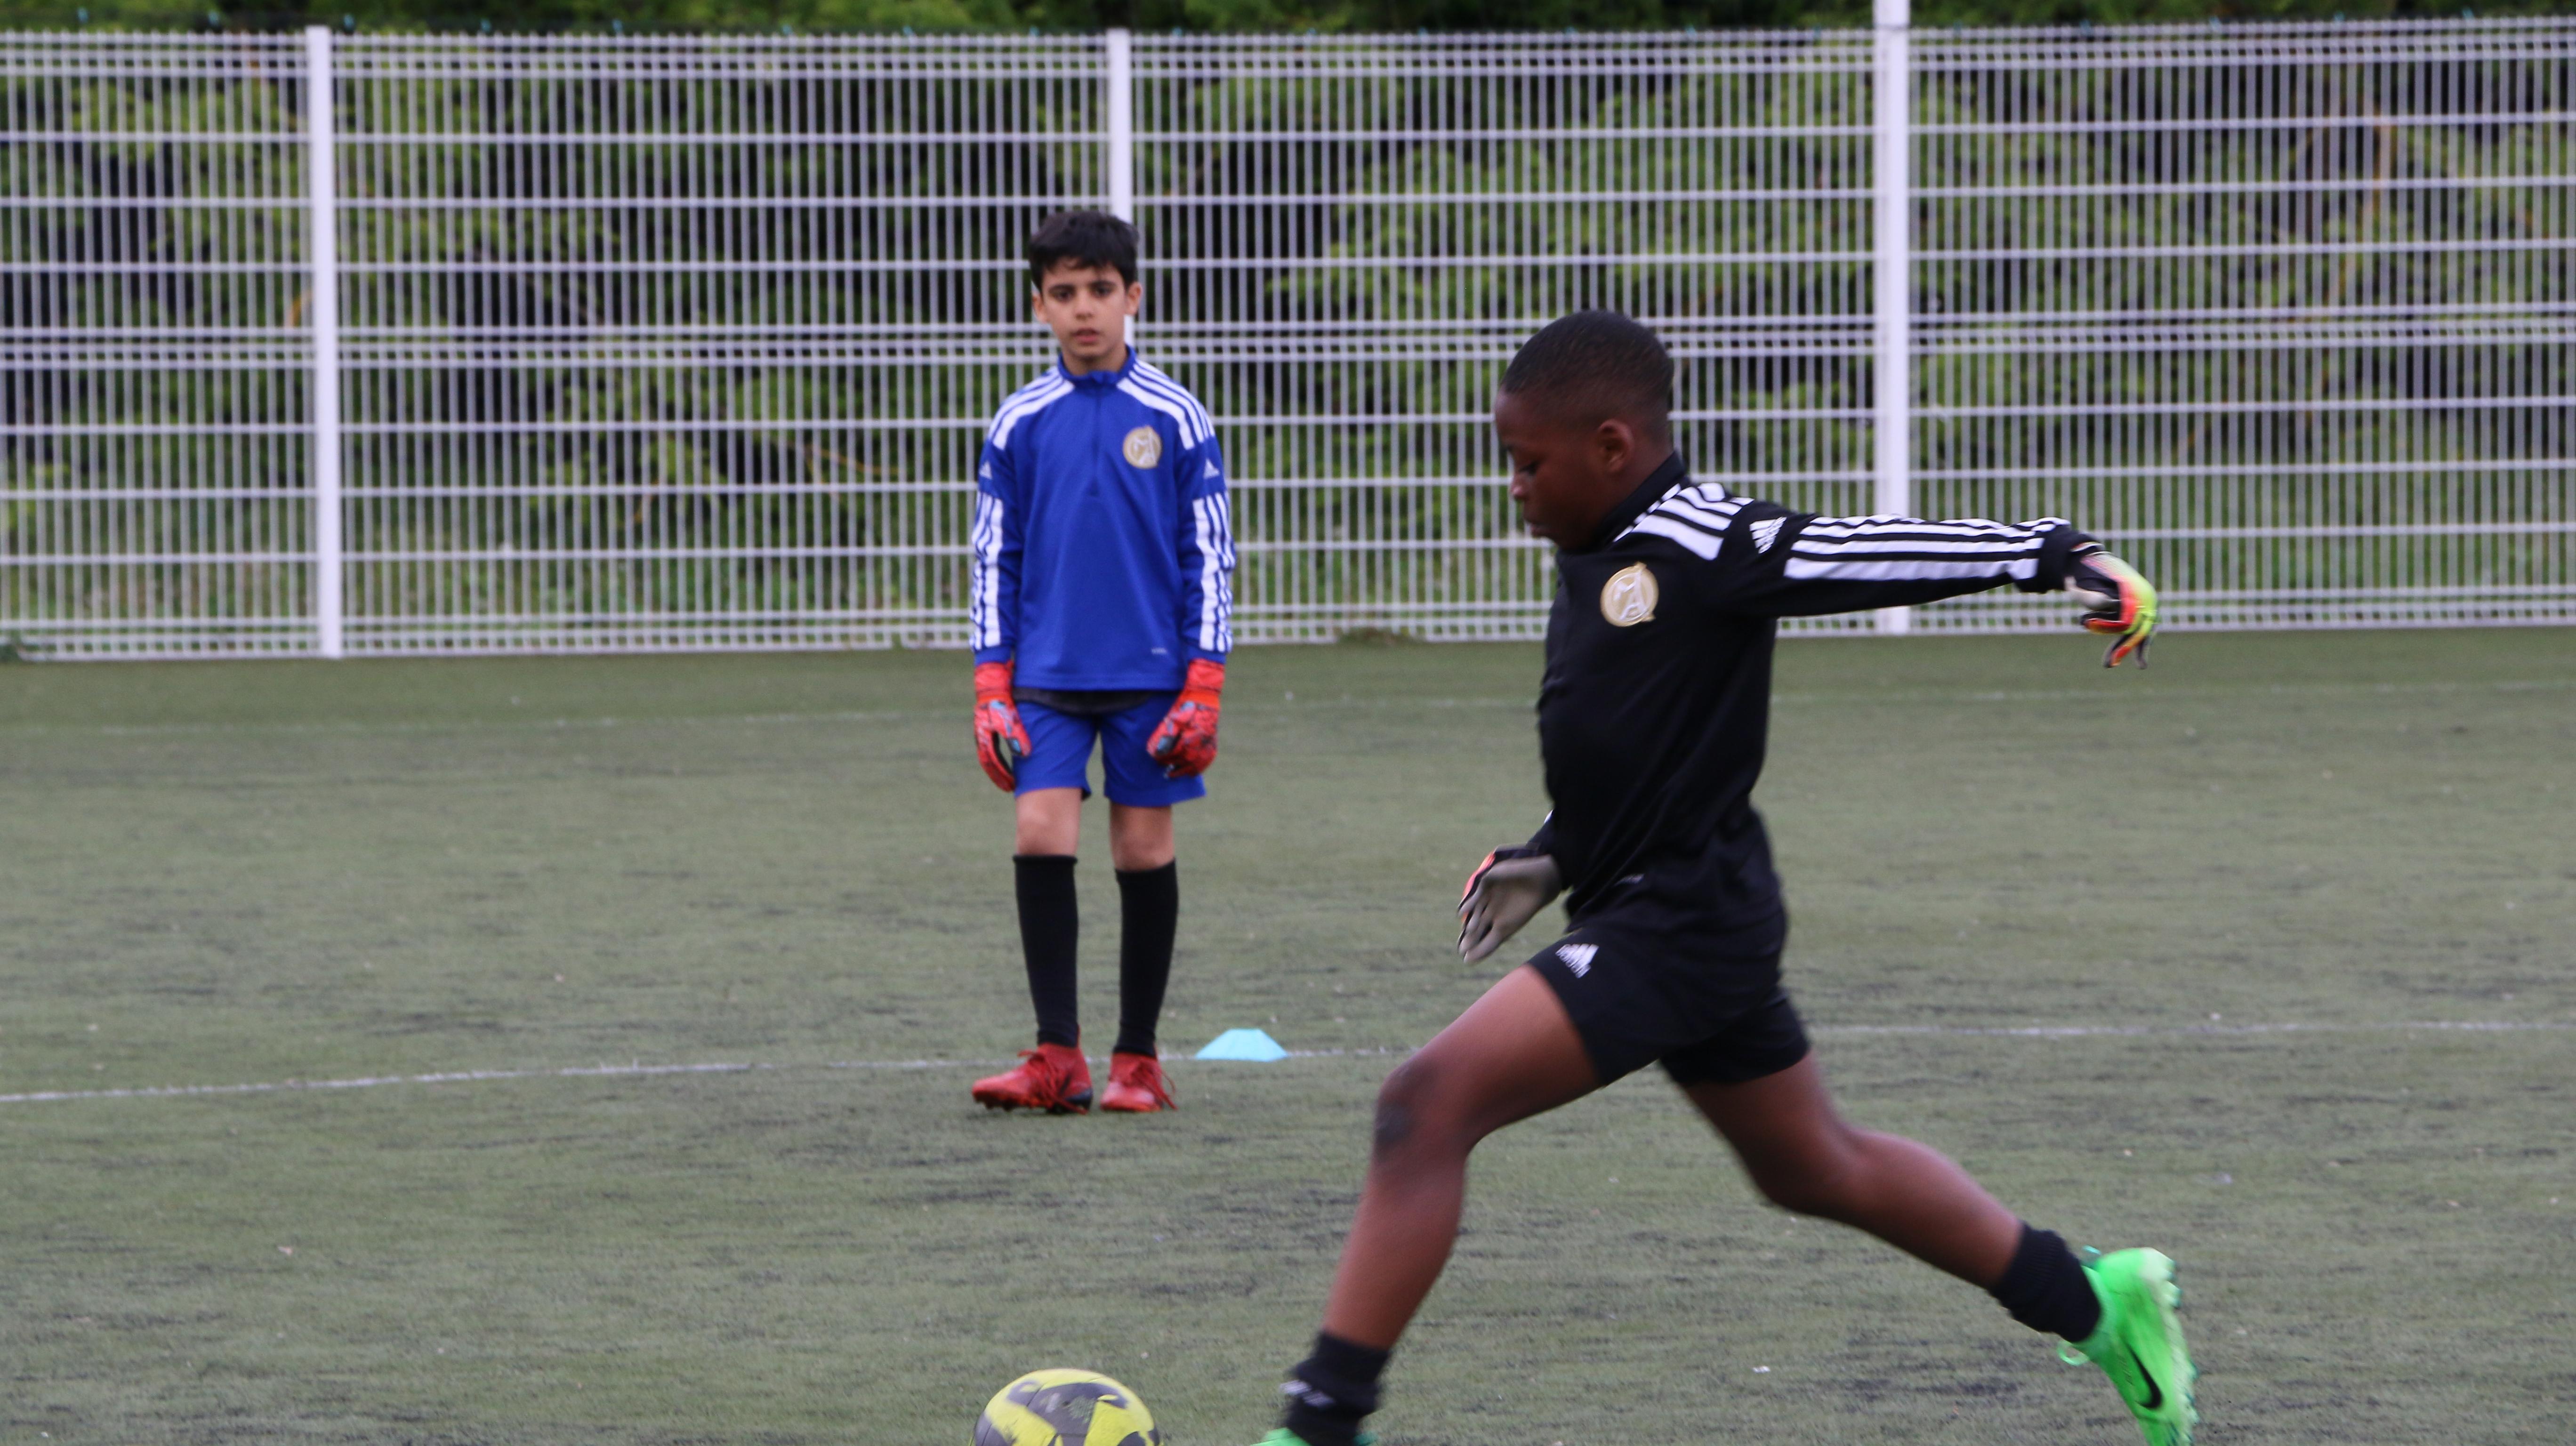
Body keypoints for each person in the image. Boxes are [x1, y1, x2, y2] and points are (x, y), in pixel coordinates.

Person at [1252, 312, 2191, 1446]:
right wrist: (1556, 855)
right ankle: (2095, 1300)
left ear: (1611, 446)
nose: (1516, 486)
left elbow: (1858, 550)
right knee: (1817, 1167)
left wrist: (2057, 555)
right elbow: (1639, 744)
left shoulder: (1705, 538)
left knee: (1424, 1106)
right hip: (1682, 909)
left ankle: (1320, 1425)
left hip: (1679, 923)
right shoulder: (1600, 547)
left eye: (1528, 462)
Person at [963, 210, 1235, 1117]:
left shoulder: (1177, 416)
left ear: (1134, 298)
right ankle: (1057, 1058)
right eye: (1065, 293)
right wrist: (990, 681)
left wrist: (1204, 680)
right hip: (1043, 677)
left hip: (1154, 679)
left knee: (1142, 849)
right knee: (1040, 833)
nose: (1085, 309)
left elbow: (1209, 555)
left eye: (1101, 291)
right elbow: (993, 558)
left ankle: (1137, 1061)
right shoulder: (1019, 421)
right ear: (1038, 306)